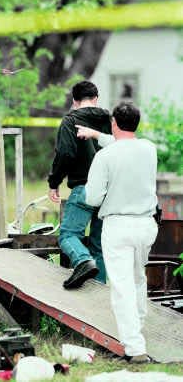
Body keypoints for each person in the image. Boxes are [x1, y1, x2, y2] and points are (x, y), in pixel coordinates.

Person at [77, 102, 158, 363]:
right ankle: (138, 328)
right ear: (137, 123)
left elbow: (92, 197)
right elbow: (123, 144)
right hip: (146, 225)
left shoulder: (105, 157)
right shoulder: (149, 149)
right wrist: (98, 136)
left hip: (119, 225)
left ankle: (135, 348)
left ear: (114, 123)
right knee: (137, 278)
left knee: (121, 287)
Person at [48, 80, 111, 289]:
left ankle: (82, 260)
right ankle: (98, 296)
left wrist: (54, 181)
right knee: (99, 246)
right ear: (96, 99)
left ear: (74, 101)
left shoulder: (70, 120)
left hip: (84, 188)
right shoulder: (110, 120)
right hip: (108, 192)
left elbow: (65, 153)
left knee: (68, 235)